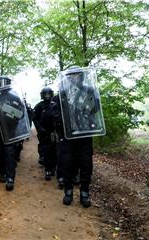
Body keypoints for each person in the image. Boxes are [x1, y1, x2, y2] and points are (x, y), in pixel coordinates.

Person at [52, 66, 101, 208]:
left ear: (81, 76)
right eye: (71, 76)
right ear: (68, 77)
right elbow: (55, 114)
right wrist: (64, 128)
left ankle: (84, 192)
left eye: (77, 75)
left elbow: (96, 109)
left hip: (85, 135)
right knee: (67, 163)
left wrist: (87, 108)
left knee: (86, 164)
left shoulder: (89, 90)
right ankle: (68, 191)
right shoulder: (61, 94)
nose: (74, 78)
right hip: (68, 136)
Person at [0, 76, 30, 191]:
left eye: (4, 83)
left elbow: (21, 114)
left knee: (10, 154)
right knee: (0, 153)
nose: (2, 85)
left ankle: (11, 178)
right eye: (0, 83)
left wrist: (8, 111)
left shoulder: (14, 97)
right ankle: (3, 173)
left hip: (11, 131)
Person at [33, 87, 57, 180]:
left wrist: (57, 129)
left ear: (51, 94)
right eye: (45, 94)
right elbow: (34, 118)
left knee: (54, 150)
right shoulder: (39, 106)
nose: (47, 96)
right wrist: (39, 128)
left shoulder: (55, 105)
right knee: (46, 150)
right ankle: (47, 169)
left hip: (54, 133)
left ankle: (53, 168)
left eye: (48, 94)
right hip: (43, 132)